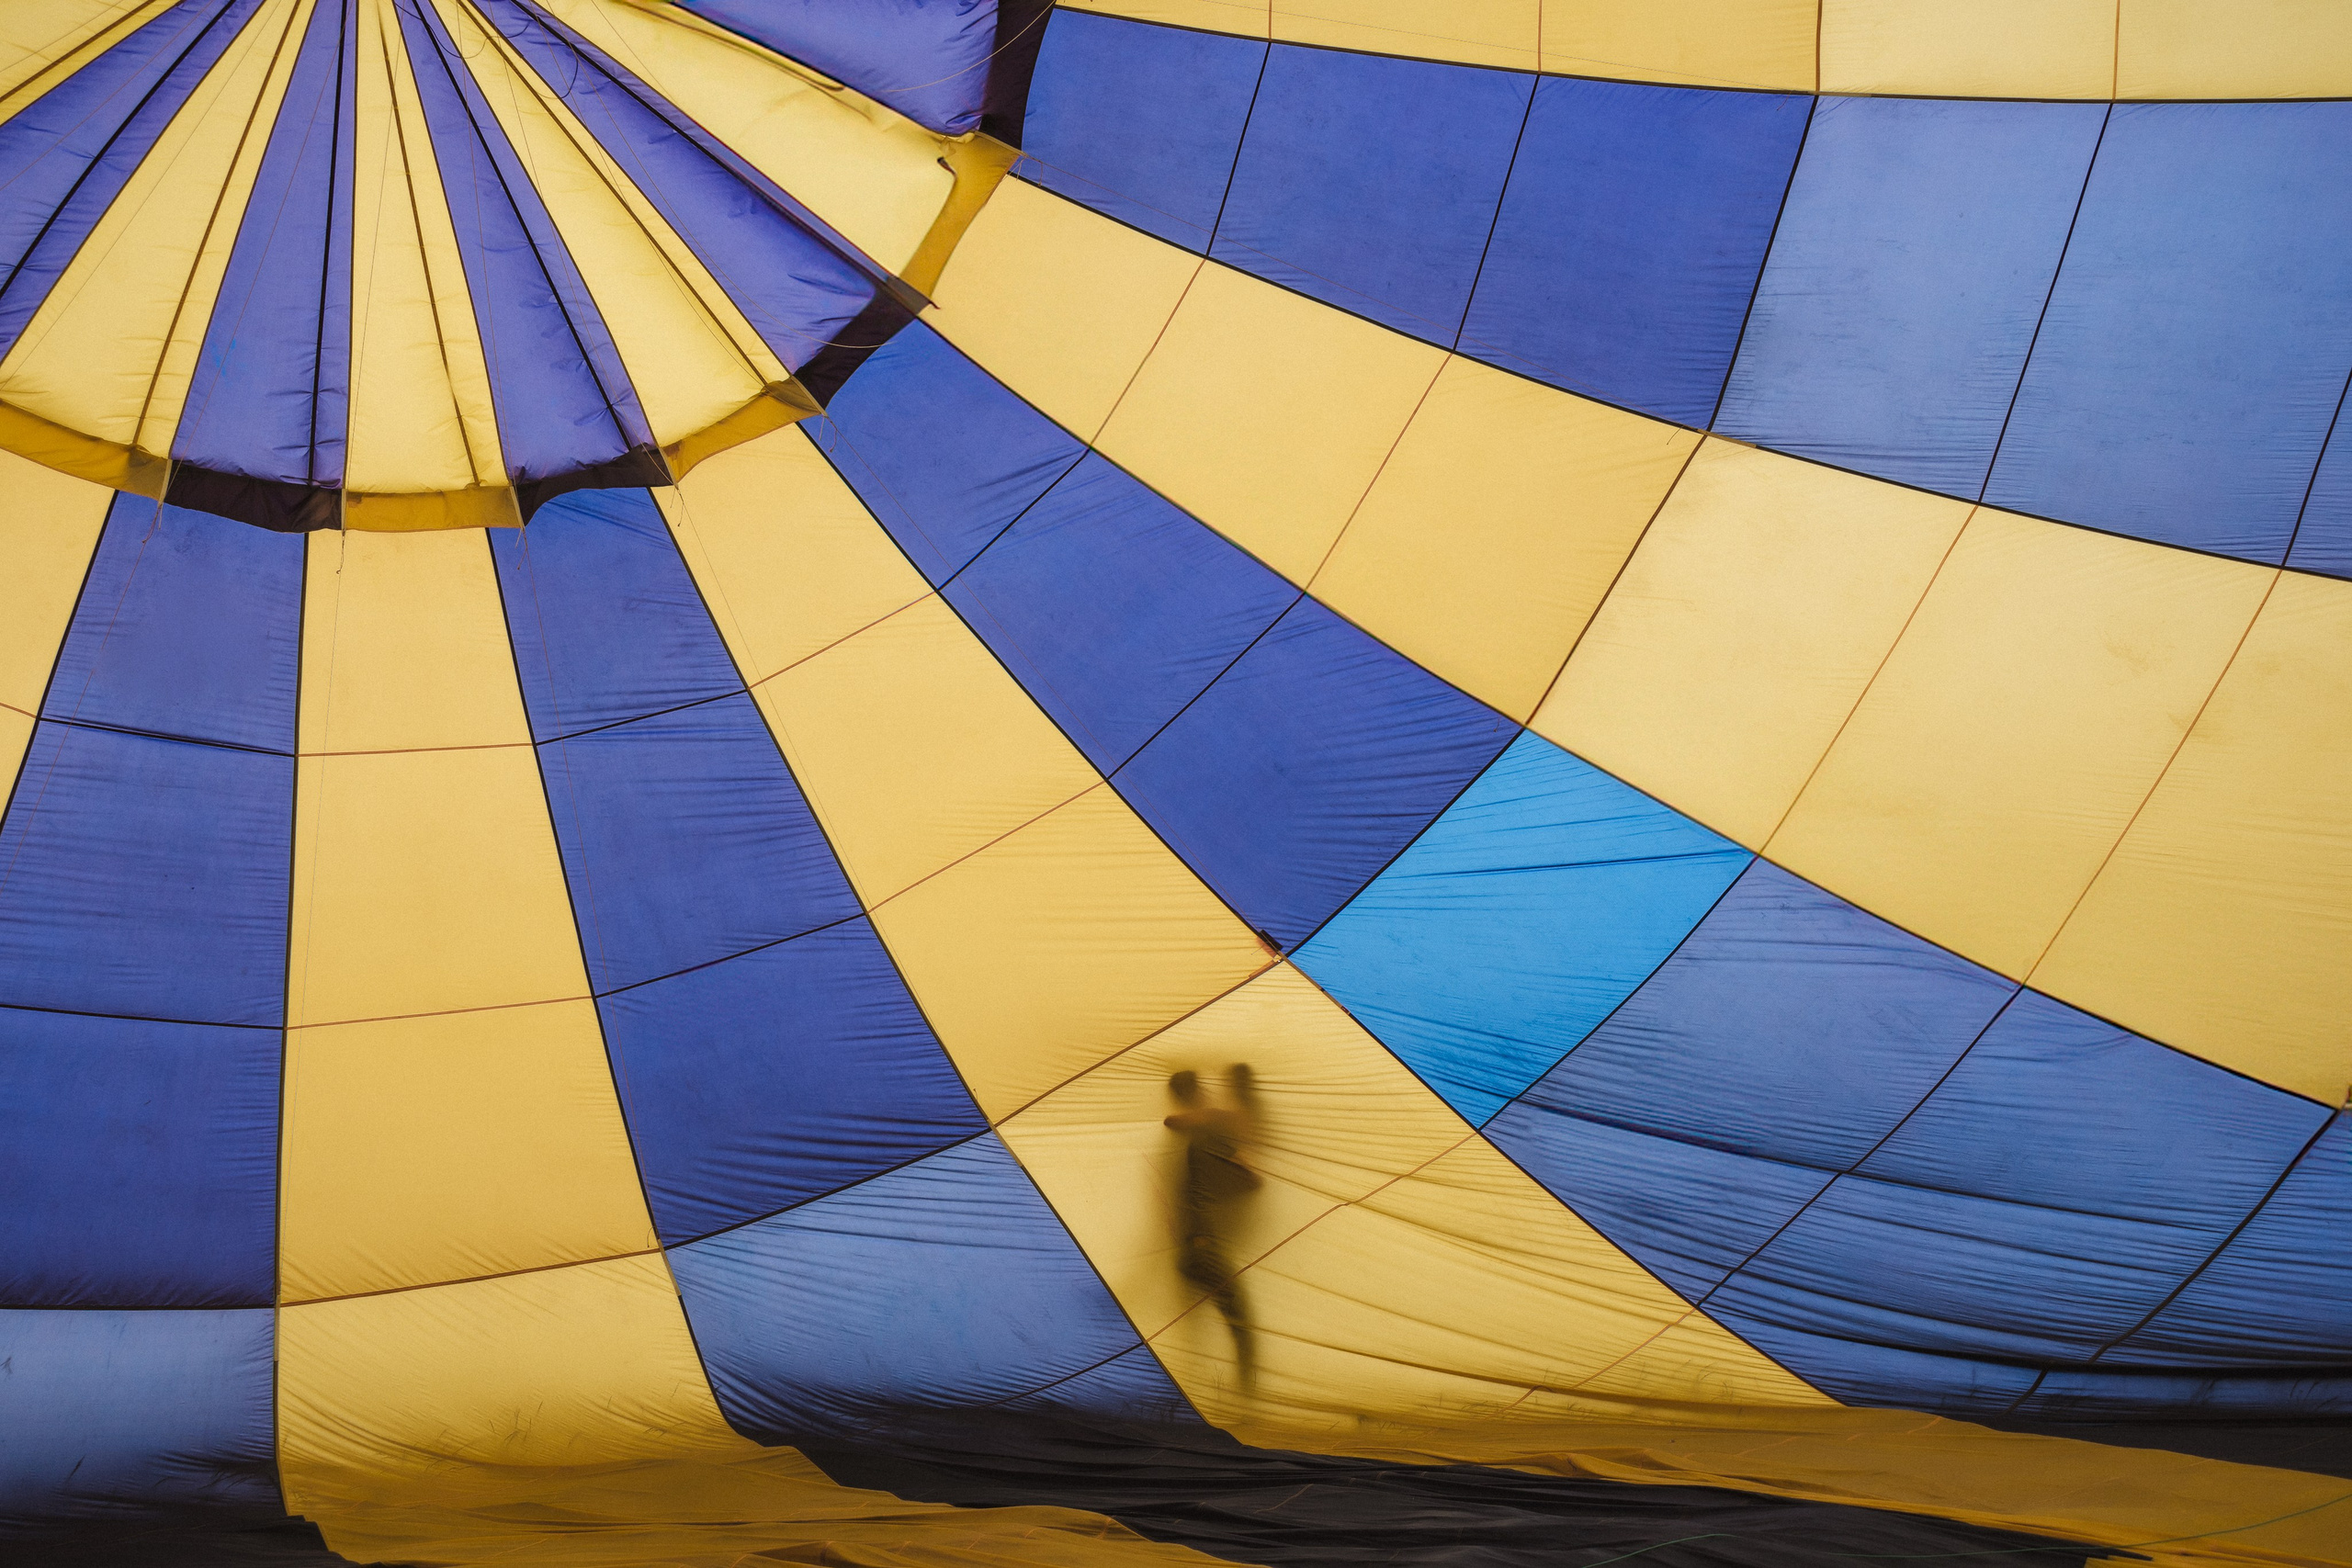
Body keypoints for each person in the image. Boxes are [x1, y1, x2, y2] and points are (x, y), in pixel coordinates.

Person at [1165, 1065, 1261, 1391]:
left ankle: (1218, 1393)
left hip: (1192, 1248)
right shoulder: (1209, 1131)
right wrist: (1246, 1169)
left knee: (1212, 1323)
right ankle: (1247, 1395)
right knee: (1240, 1319)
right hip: (1202, 1245)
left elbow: (1174, 1121)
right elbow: (1251, 1181)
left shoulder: (1198, 1133)